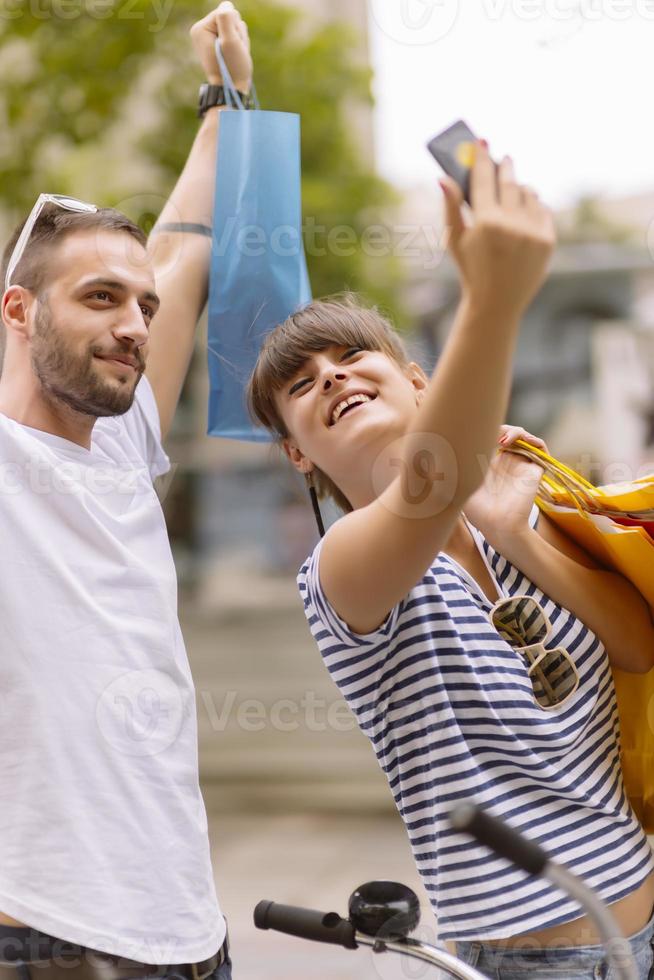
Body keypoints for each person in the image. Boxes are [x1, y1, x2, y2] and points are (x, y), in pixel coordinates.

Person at [247, 148, 654, 978]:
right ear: (297, 452)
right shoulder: (339, 571)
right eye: (301, 384)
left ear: (416, 379)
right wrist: (494, 297)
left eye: (350, 358)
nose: (330, 377)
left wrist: (517, 537)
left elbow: (639, 647)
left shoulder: (519, 506)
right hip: (529, 961)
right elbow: (435, 485)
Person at [0, 3, 252, 978]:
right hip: (43, 929)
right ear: (18, 312)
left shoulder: (124, 437)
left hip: (190, 927)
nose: (137, 321)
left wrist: (223, 99)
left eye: (142, 304)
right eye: (99, 296)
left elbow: (186, 234)